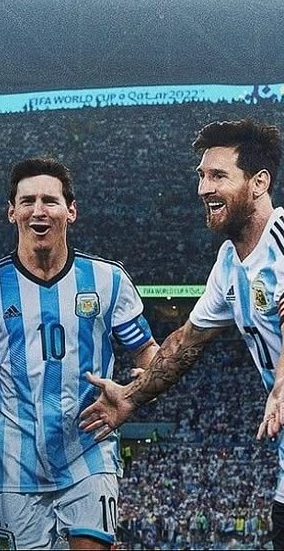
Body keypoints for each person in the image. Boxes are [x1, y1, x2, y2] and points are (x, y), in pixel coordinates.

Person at [0, 156, 157, 551]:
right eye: (28, 200)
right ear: (11, 211)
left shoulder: (108, 280)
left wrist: (136, 392)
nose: (39, 210)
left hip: (89, 451)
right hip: (11, 465)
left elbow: (148, 355)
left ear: (71, 211)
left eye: (50, 201)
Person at [80, 118, 284, 551]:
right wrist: (131, 398)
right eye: (201, 177)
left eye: (218, 176)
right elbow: (186, 343)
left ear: (259, 182)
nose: (203, 189)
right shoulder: (230, 262)